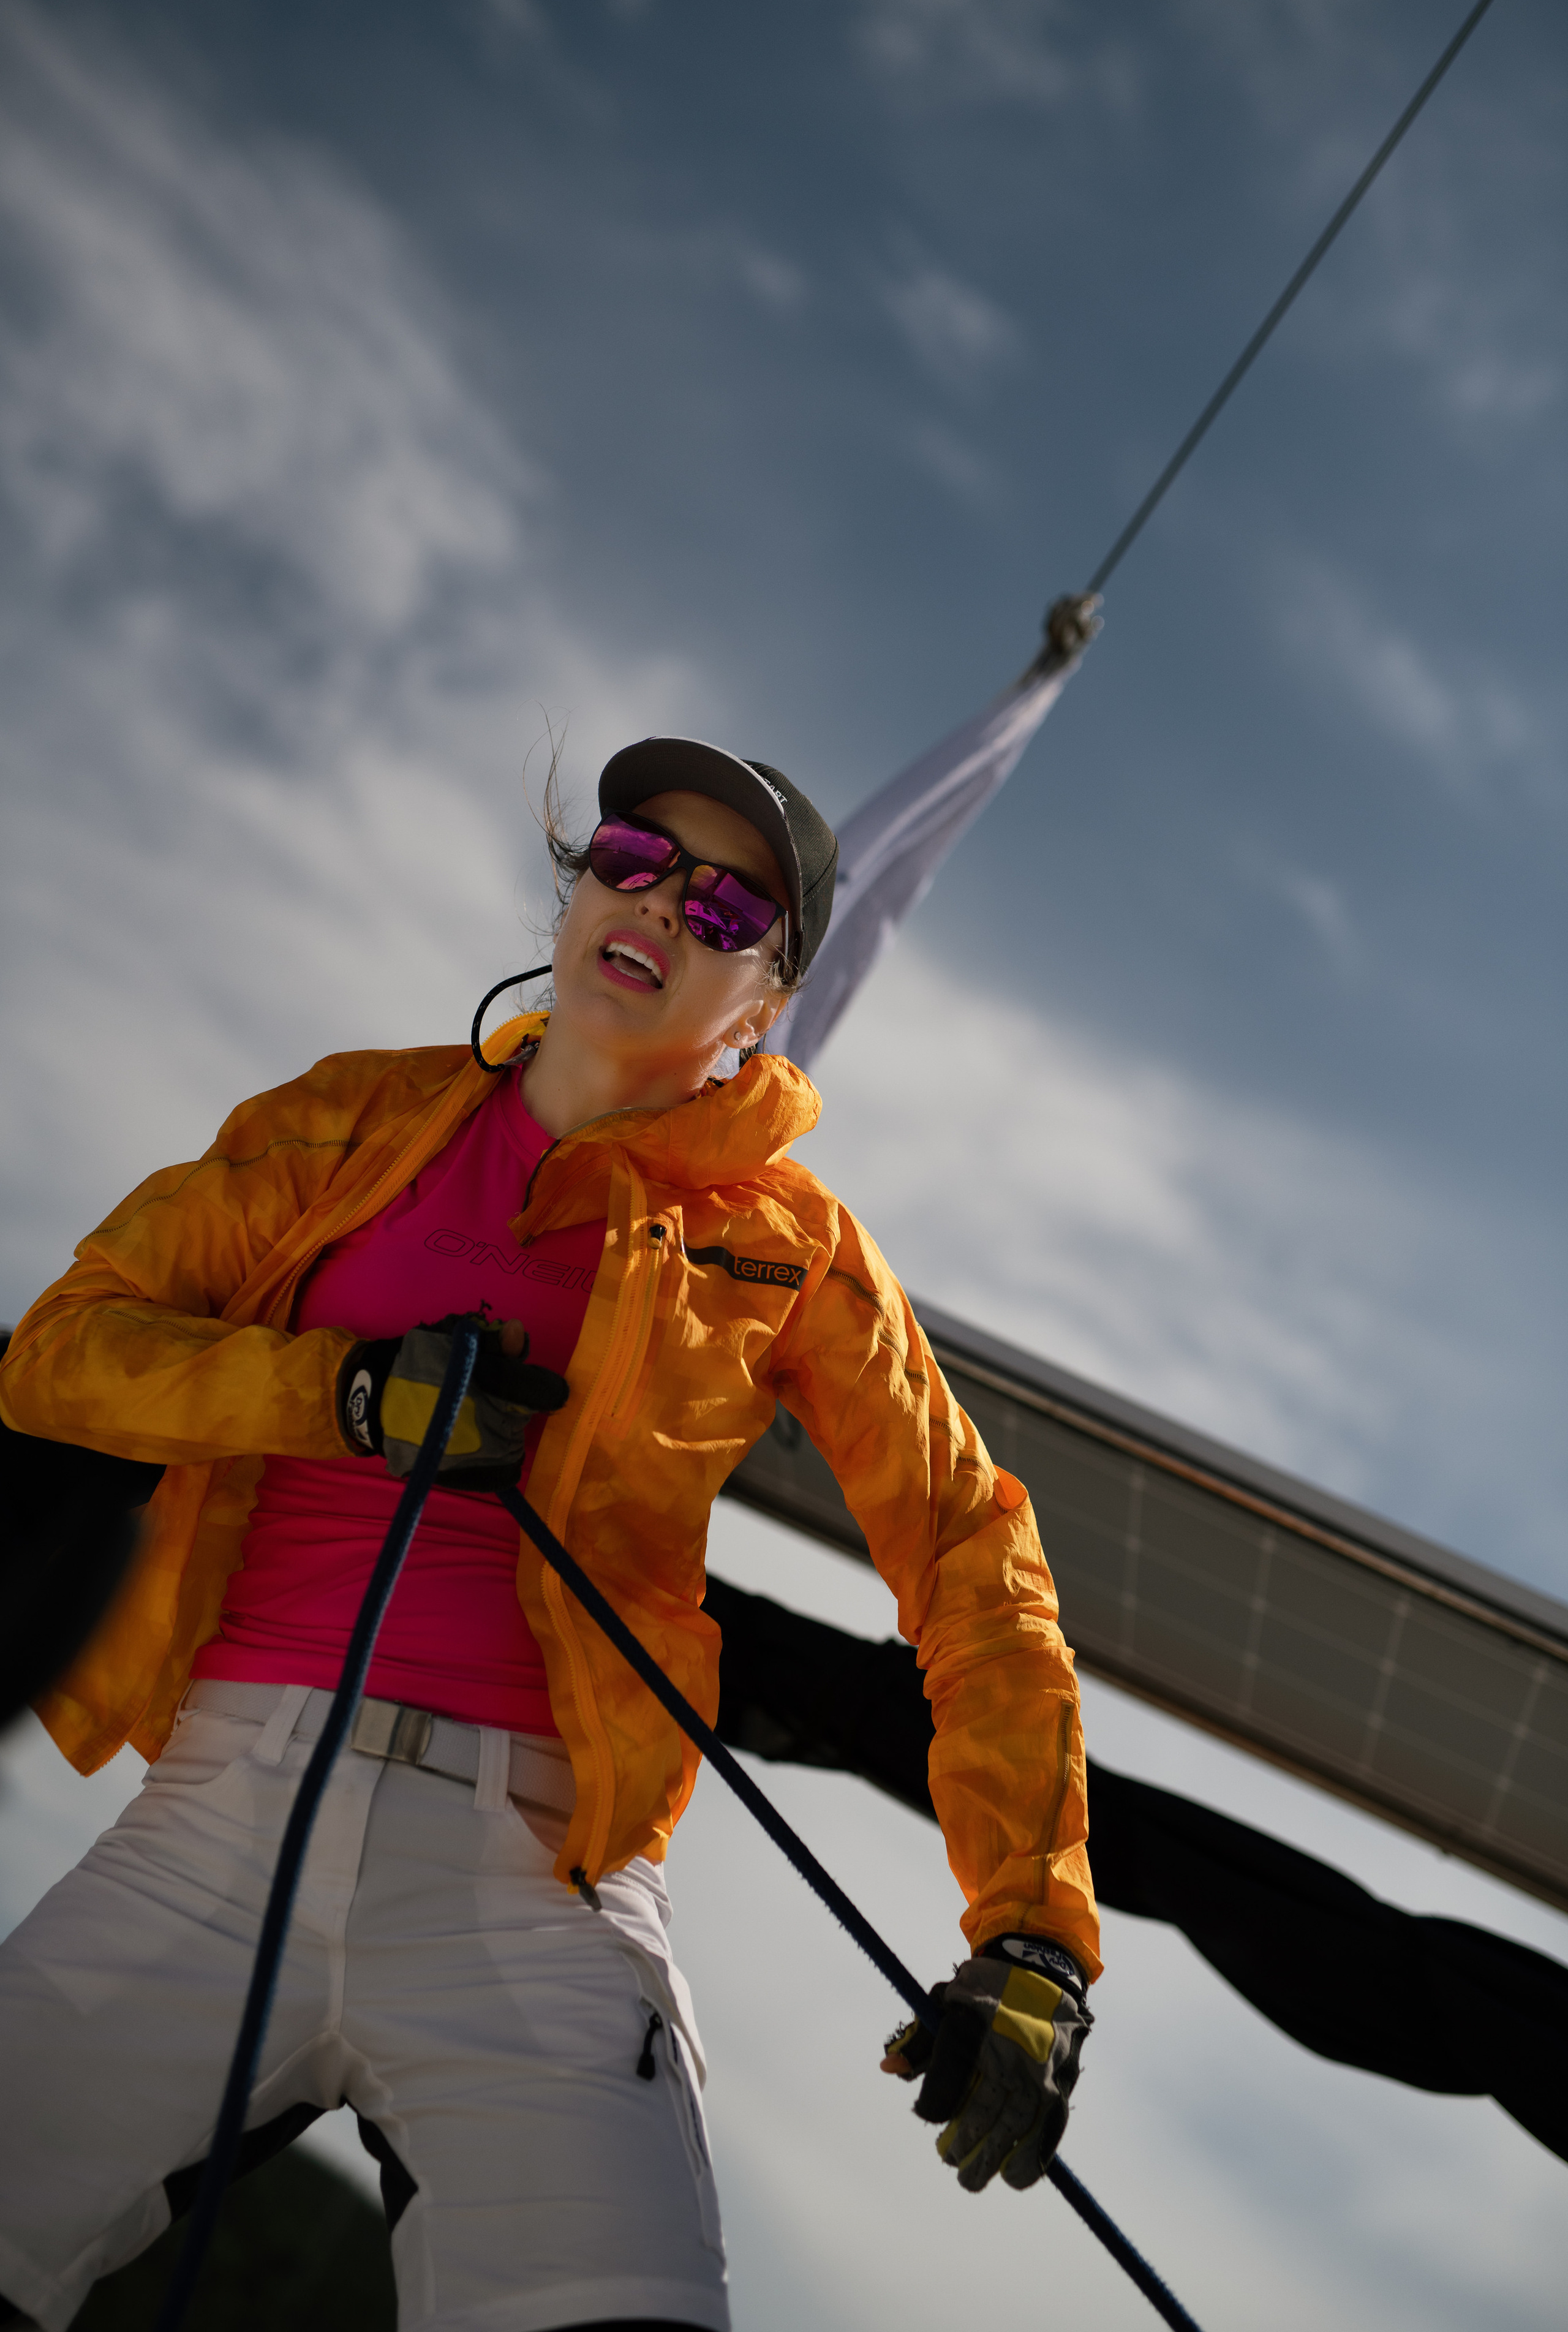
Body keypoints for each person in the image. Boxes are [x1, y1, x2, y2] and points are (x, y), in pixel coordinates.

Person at [0, 737, 1099, 2332]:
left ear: (769, 998)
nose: (661, 898)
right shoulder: (341, 1121)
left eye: (725, 903)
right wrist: (351, 1398)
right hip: (209, 1835)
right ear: (581, 883)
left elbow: (968, 1549)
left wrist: (1038, 1937)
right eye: (634, 855)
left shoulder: (794, 1246)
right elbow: (59, 1357)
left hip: (536, 1891)